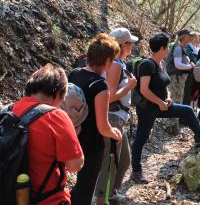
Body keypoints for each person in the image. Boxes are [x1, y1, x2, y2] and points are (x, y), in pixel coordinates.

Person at [130, 33, 200, 184]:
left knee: (187, 110)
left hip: (161, 105)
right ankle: (136, 171)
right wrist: (160, 102)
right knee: (142, 137)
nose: (169, 49)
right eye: (167, 46)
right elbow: (144, 90)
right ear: (162, 48)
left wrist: (167, 98)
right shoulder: (147, 65)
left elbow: (163, 85)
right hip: (147, 108)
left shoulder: (162, 64)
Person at [10, 64, 84, 204]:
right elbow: (75, 165)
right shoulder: (55, 116)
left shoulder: (7, 111)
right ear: (58, 94)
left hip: (9, 195)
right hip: (48, 199)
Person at [69, 34, 123, 205]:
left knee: (76, 184)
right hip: (91, 143)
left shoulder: (75, 74)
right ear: (107, 61)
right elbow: (102, 126)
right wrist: (114, 133)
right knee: (85, 187)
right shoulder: (101, 86)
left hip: (72, 134)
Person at [95, 28, 138, 204]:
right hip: (112, 117)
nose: (132, 46)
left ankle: (111, 193)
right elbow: (110, 95)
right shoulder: (116, 65)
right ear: (122, 45)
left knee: (125, 158)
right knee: (111, 160)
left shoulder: (119, 63)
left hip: (118, 117)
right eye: (130, 43)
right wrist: (129, 87)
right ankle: (101, 198)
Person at [165, 29, 194, 135]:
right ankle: (172, 128)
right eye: (189, 36)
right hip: (175, 79)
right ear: (183, 37)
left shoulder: (180, 47)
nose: (191, 38)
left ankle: (174, 127)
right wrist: (190, 66)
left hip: (177, 79)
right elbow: (178, 65)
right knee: (175, 101)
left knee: (177, 101)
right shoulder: (178, 48)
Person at [183, 31, 200, 106]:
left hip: (198, 73)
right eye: (195, 38)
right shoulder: (188, 47)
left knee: (195, 94)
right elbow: (190, 59)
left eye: (198, 38)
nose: (197, 40)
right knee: (188, 93)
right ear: (191, 38)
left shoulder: (198, 48)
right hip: (190, 74)